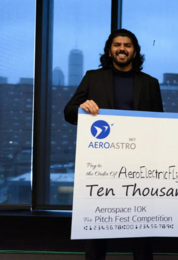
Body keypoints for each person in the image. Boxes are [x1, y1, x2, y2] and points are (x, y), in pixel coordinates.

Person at [64, 29, 163, 260]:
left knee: (142, 231)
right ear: (110, 50)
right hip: (102, 167)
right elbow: (68, 112)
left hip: (140, 168)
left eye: (127, 45)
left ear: (135, 51)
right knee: (98, 232)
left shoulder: (150, 83)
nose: (122, 49)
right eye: (117, 45)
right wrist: (82, 108)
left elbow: (160, 125)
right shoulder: (92, 78)